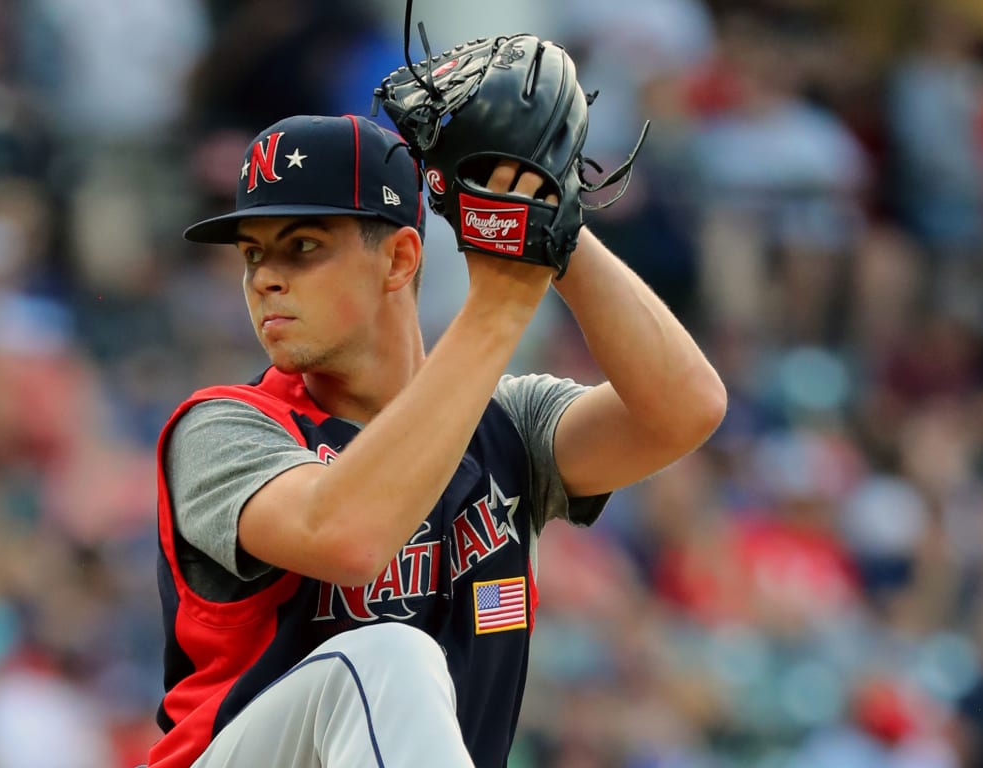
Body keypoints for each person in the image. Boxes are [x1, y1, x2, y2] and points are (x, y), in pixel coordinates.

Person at [151, 113, 726, 767]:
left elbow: (684, 410)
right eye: (253, 253)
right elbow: (348, 536)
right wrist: (501, 302)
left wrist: (554, 228)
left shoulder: (505, 424)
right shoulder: (223, 427)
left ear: (399, 258)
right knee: (389, 653)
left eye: (302, 246)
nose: (264, 278)